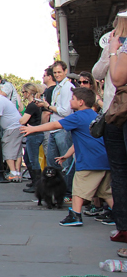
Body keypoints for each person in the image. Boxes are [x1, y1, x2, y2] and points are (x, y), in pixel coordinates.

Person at [21, 87, 113, 227]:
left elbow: (55, 124)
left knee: (78, 189)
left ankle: (75, 215)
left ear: (81, 102)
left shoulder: (78, 116)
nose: (70, 101)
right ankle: (118, 214)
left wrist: (33, 128)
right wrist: (66, 155)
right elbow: (83, 140)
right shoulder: (94, 115)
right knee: (106, 192)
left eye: (73, 99)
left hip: (89, 161)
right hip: (103, 159)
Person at [98, 13, 127, 247]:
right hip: (113, 112)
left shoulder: (121, 46)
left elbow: (117, 78)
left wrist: (115, 50)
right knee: (118, 171)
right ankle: (122, 225)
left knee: (120, 172)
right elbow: (99, 72)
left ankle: (124, 227)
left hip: (120, 112)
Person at [36, 61, 74, 192]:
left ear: (65, 71)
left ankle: (68, 191)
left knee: (66, 163)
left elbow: (65, 111)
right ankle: (54, 191)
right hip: (54, 128)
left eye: (59, 72)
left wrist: (47, 106)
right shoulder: (57, 88)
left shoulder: (67, 87)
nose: (57, 75)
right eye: (55, 72)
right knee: (52, 164)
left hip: (62, 128)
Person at [20, 83, 44, 194]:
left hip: (34, 134)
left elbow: (23, 121)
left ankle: (37, 183)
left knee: (33, 159)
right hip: (33, 134)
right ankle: (35, 181)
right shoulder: (34, 104)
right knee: (28, 158)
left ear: (28, 93)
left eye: (24, 92)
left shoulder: (31, 106)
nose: (23, 94)